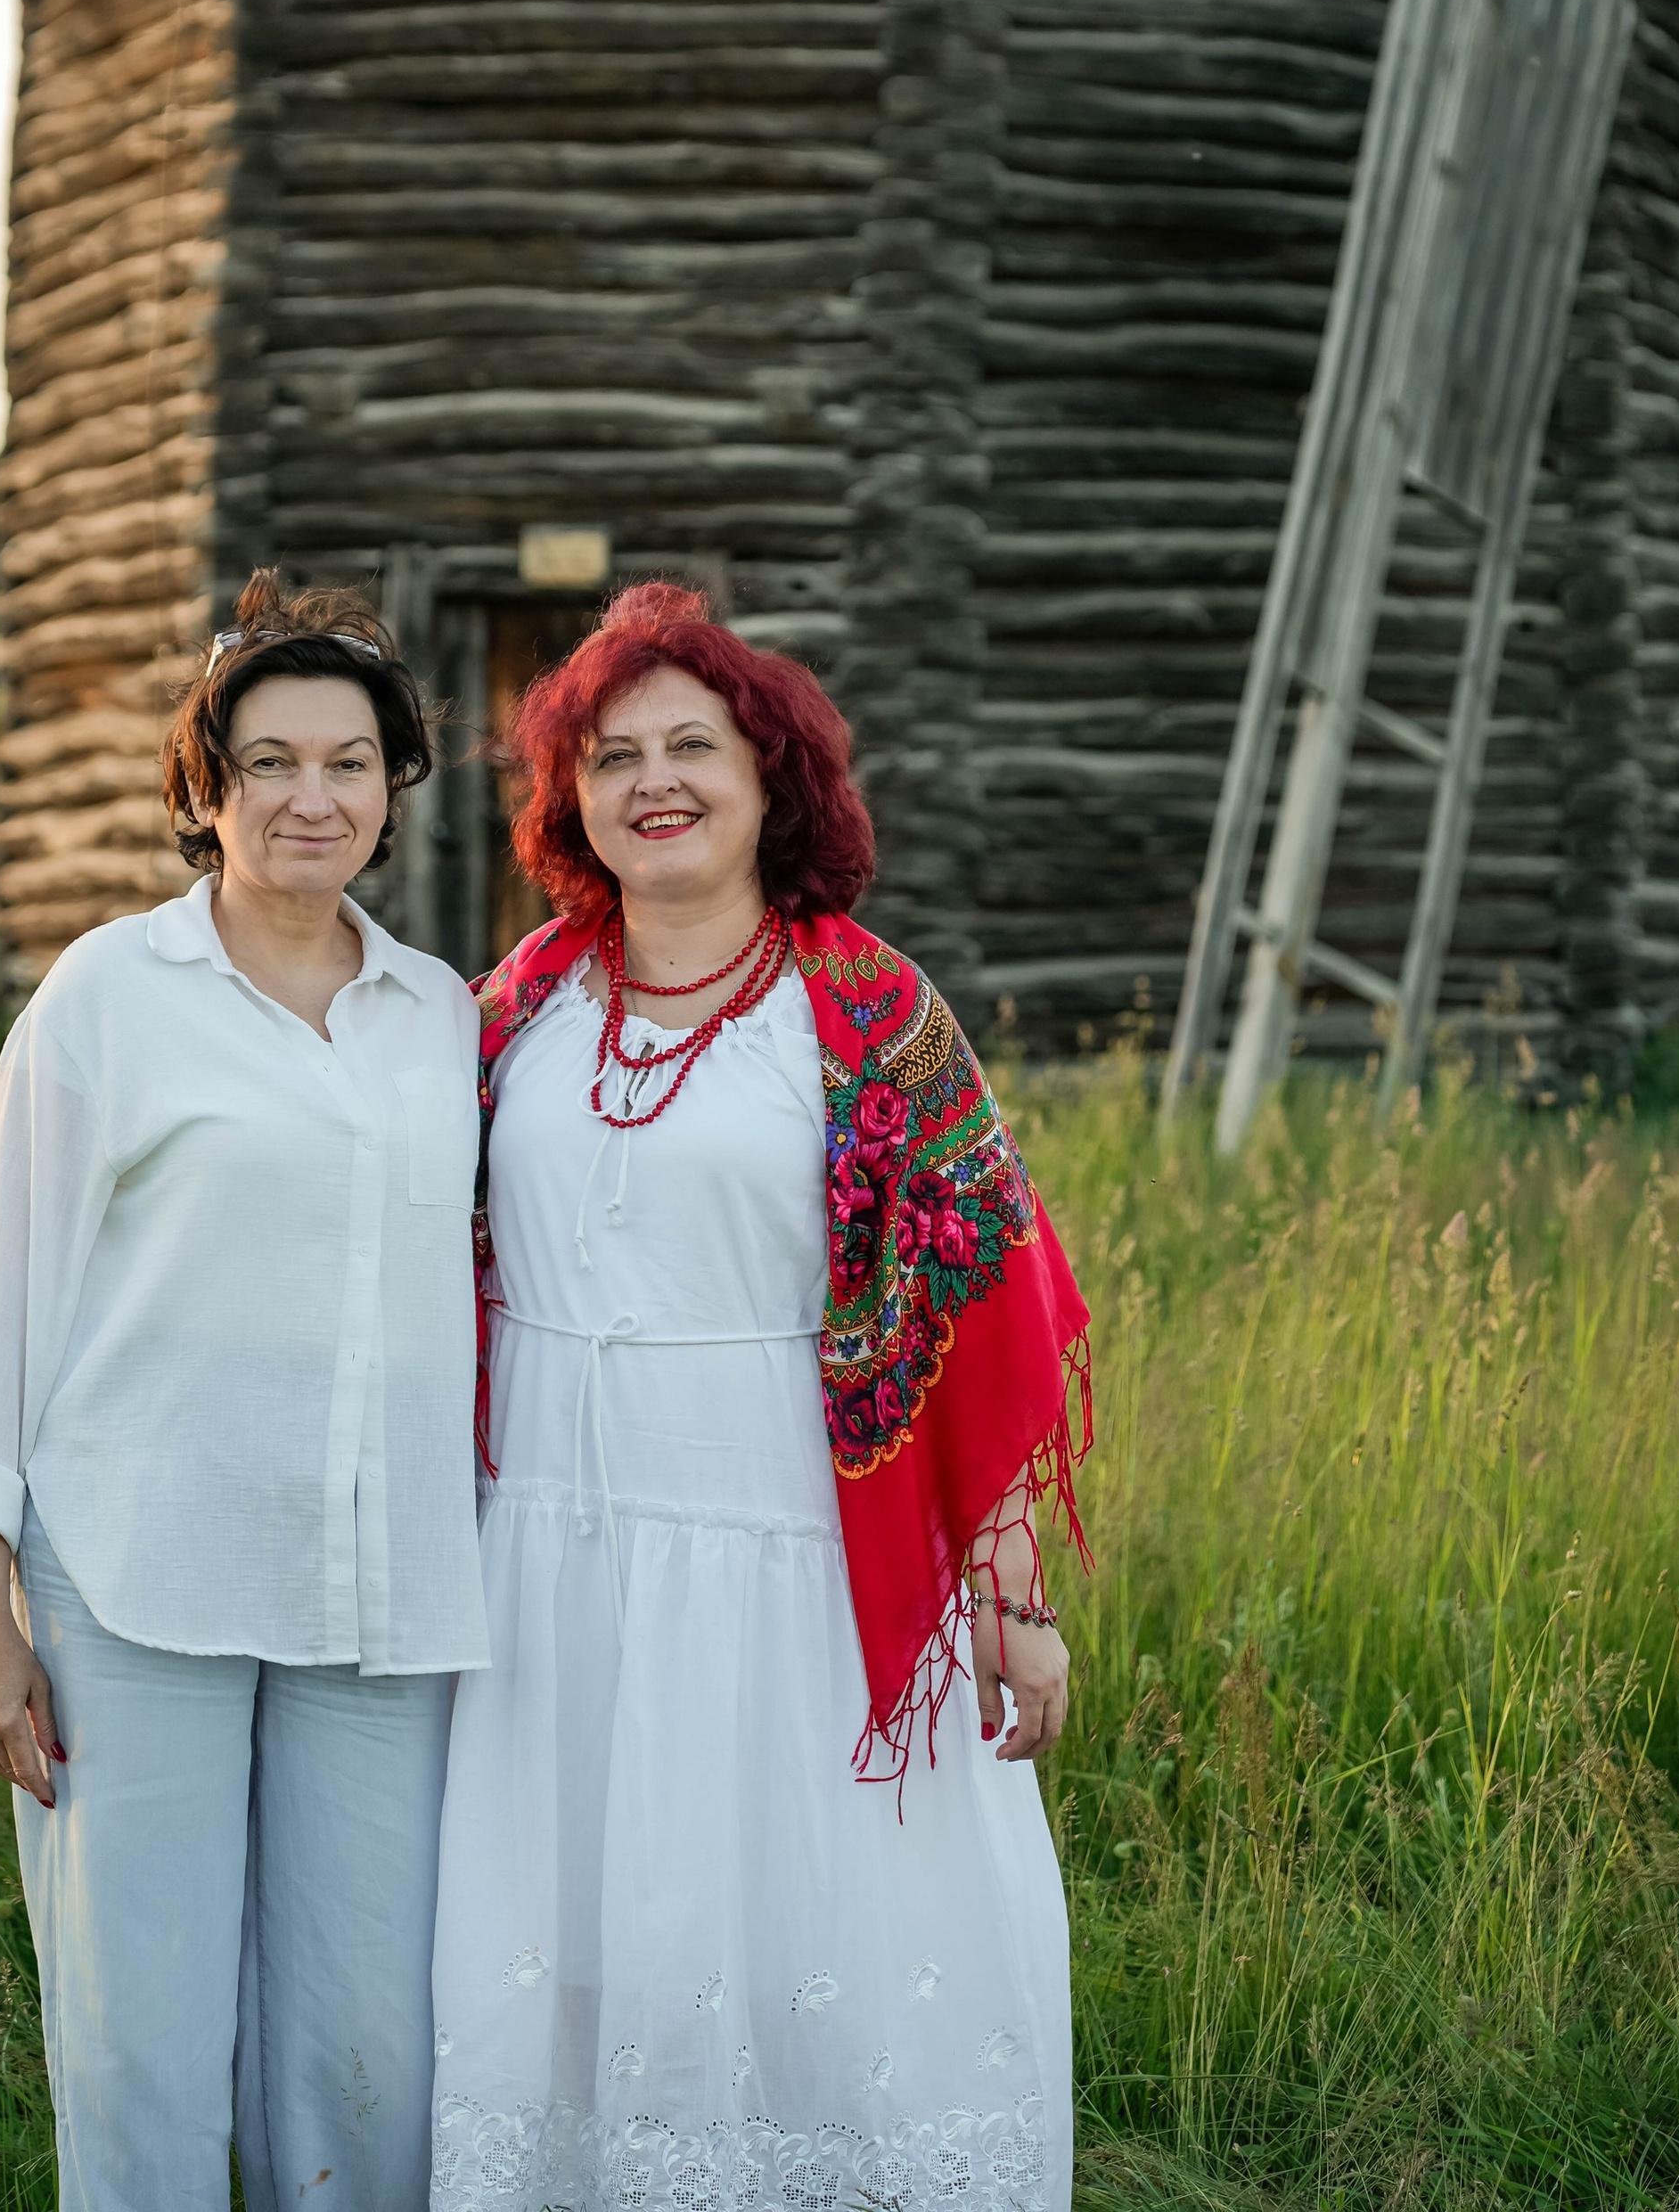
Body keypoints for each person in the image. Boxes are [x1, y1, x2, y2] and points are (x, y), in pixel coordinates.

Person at [431, 581, 1090, 2212]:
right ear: (572, 801)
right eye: (612, 756)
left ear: (768, 778)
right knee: (587, 1941)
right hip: (550, 1570)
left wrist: (1010, 1597)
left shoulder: (870, 1012)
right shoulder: (512, 1008)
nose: (652, 781)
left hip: (795, 1560)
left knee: (817, 1940)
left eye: (691, 748)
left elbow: (975, 1307)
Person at [0, 571, 489, 2212]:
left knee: (369, 2037)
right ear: (206, 785)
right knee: (142, 2034)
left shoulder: (441, 1017)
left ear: (392, 788)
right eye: (271, 762)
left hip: (382, 1593)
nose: (314, 796)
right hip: (138, 1576)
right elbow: (5, 1294)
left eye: (350, 763)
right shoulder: (109, 995)